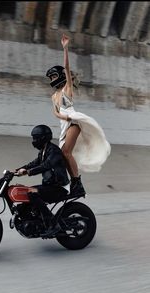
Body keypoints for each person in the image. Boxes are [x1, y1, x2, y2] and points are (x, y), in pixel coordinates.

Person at [46, 34, 111, 196]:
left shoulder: (67, 89)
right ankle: (71, 182)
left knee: (66, 152)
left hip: (74, 123)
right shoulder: (53, 97)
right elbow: (55, 113)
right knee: (63, 155)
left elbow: (67, 68)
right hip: (65, 124)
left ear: (60, 76)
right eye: (51, 77)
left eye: (54, 75)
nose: (52, 79)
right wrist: (63, 117)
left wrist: (65, 48)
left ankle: (77, 183)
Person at [16, 124, 70, 237]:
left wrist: (27, 172)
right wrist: (17, 170)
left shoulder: (54, 151)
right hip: (50, 186)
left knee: (32, 193)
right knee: (27, 191)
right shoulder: (43, 151)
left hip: (59, 188)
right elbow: (34, 163)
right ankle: (35, 217)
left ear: (43, 138)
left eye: (35, 138)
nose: (34, 141)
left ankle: (52, 224)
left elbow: (46, 165)